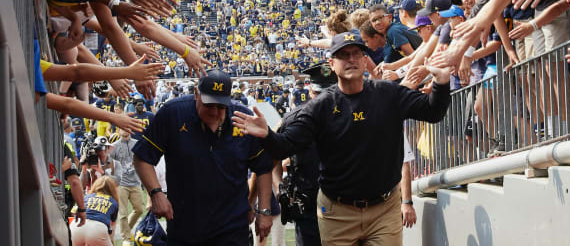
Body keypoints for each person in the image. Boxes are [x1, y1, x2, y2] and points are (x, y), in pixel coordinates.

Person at [232, 32, 452, 246]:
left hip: (384, 207)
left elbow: (433, 112)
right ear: (332, 63)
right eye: (343, 55)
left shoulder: (388, 93)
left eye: (357, 53)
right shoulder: (320, 107)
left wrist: (442, 83)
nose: (351, 59)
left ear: (366, 60)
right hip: (338, 210)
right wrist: (266, 135)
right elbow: (284, 147)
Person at [132, 69, 274, 245]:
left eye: (221, 106)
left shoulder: (242, 117)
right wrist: (155, 193)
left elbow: (264, 167)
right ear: (196, 94)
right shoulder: (173, 114)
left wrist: (264, 210)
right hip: (186, 223)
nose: (215, 113)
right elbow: (142, 157)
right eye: (209, 105)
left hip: (233, 224)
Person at [278, 63, 337, 246]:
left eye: (327, 94)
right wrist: (280, 188)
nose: (321, 100)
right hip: (307, 205)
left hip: (342, 205)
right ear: (310, 90)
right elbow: (272, 158)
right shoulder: (293, 119)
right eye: (318, 94)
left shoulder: (349, 115)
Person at [110, 130, 144, 246]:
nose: (125, 131)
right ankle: (126, 238)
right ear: (118, 131)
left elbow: (142, 160)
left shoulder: (137, 143)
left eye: (127, 128)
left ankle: (126, 230)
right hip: (121, 183)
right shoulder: (114, 147)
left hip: (136, 182)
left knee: (139, 209)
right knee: (123, 213)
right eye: (122, 129)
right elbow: (110, 164)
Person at [70, 176, 119, 246]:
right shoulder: (113, 202)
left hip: (76, 226)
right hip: (98, 228)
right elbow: (112, 226)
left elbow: (73, 212)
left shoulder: (86, 196)